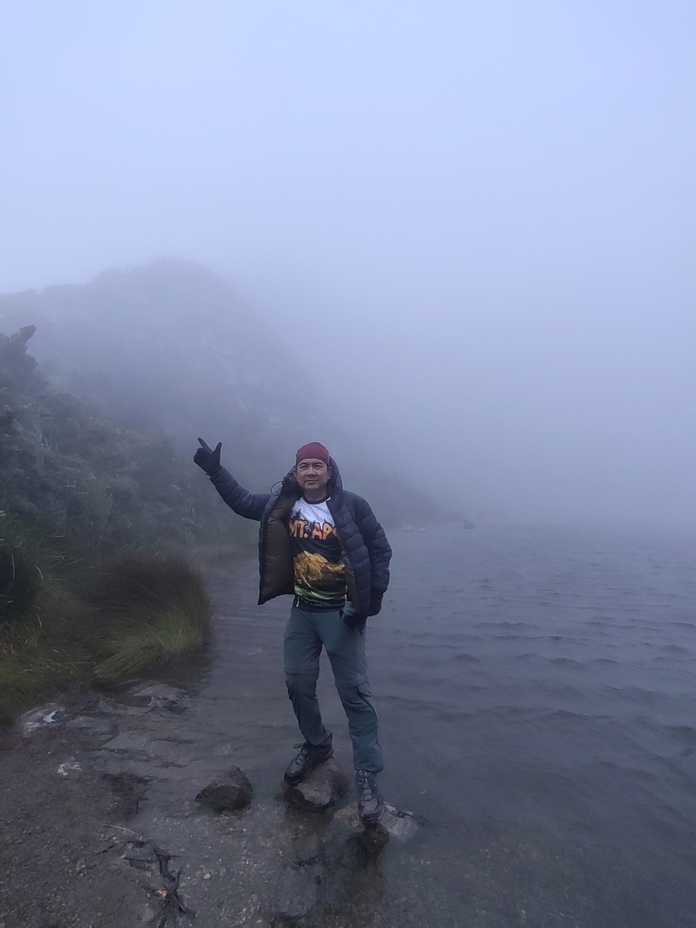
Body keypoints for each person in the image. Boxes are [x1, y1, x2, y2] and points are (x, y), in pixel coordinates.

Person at [194, 438, 392, 825]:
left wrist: (367, 602)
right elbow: (241, 502)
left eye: (319, 466)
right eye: (305, 466)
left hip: (342, 615)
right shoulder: (283, 504)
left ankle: (368, 777)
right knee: (297, 682)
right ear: (296, 472)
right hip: (304, 613)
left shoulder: (353, 506)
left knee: (355, 696)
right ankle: (317, 745)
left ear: (329, 471)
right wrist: (215, 471)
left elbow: (380, 551)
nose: (311, 472)